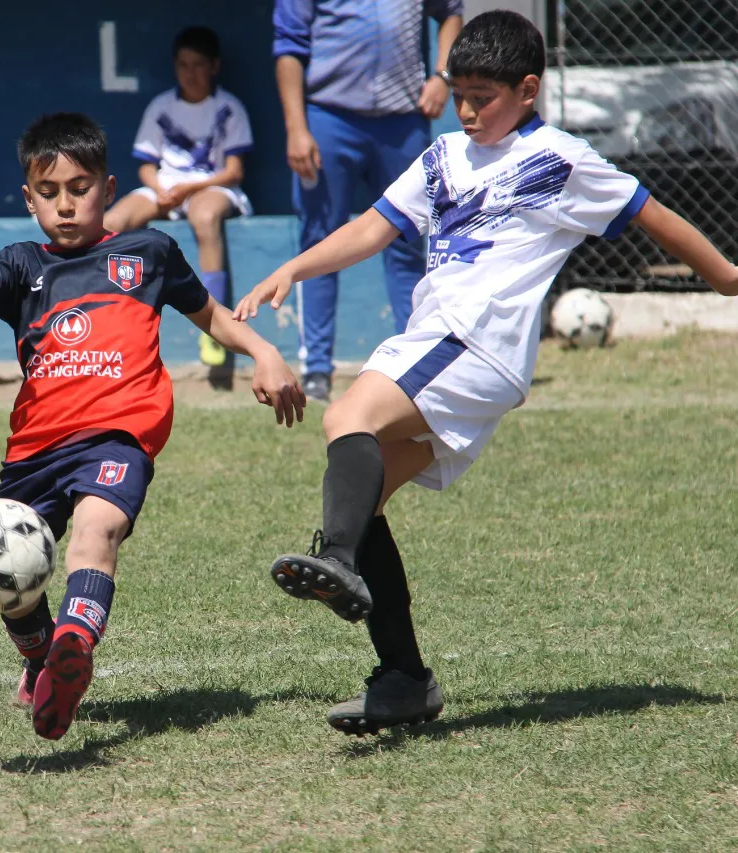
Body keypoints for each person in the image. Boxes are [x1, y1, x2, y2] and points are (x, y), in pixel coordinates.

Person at [235, 10, 738, 735]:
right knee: (364, 488)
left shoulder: (558, 159)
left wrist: (725, 278)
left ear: (528, 89)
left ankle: (337, 560)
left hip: (473, 341)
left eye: (483, 96)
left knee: (347, 419)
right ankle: (405, 678)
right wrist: (295, 265)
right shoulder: (442, 156)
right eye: (459, 93)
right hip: (450, 344)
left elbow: (650, 213)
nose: (468, 110)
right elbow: (375, 226)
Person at [0, 113, 304, 740]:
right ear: (28, 199)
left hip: (117, 435)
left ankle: (74, 648)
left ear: (107, 190)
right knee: (12, 573)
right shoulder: (21, 264)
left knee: (95, 530)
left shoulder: (148, 251)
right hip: (33, 450)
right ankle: (40, 657)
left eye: (79, 189)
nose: (65, 205)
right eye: (48, 193)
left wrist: (264, 352)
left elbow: (210, 314)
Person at [274, 0, 464, 401]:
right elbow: (288, 47)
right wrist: (295, 127)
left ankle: (414, 362)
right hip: (329, 116)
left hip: (402, 120)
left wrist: (443, 76)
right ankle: (317, 369)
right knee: (320, 243)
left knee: (407, 243)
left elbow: (451, 11)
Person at [104, 26, 253, 374]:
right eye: (183, 65)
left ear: (214, 66)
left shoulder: (229, 107)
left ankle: (214, 329)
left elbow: (234, 171)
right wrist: (160, 190)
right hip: (166, 188)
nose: (190, 73)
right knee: (112, 222)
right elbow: (146, 166)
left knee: (203, 216)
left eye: (198, 64)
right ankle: (103, 311)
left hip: (213, 188)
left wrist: (188, 190)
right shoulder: (161, 106)